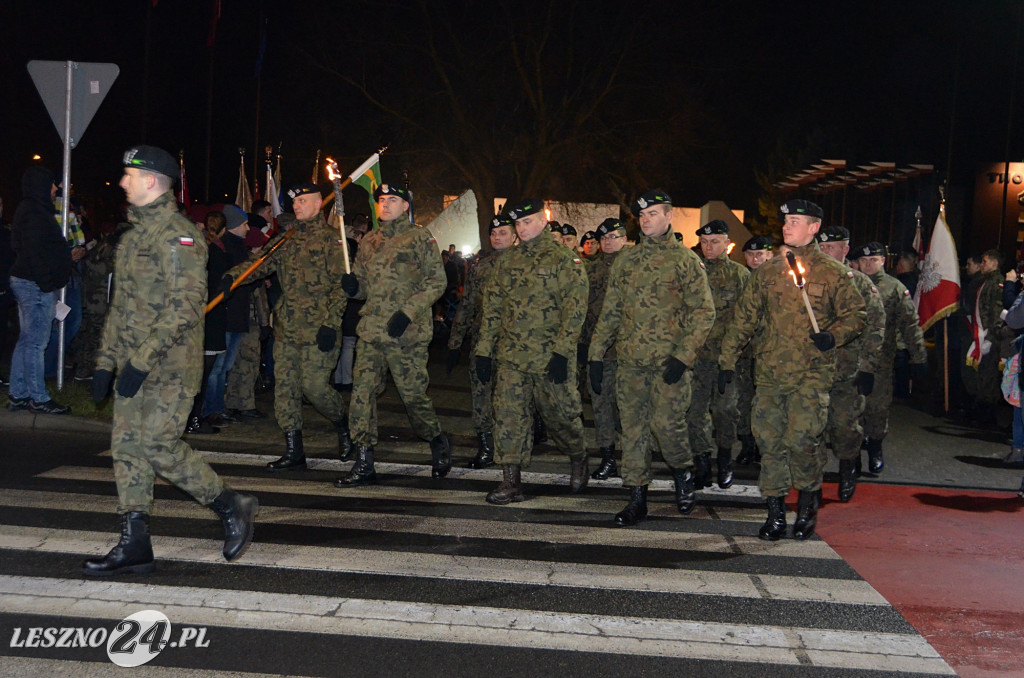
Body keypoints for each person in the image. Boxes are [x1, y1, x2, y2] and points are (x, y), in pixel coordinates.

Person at [85, 145, 257, 576]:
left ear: (151, 181)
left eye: (128, 175)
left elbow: (185, 307)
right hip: (132, 364)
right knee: (126, 449)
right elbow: (119, 306)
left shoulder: (179, 235)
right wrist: (106, 362)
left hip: (168, 366)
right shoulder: (132, 237)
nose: (122, 182)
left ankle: (230, 503)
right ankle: (135, 540)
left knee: (157, 446)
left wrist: (141, 361)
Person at [718, 199, 866, 540]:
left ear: (813, 227)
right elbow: (744, 319)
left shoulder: (833, 272)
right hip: (769, 375)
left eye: (795, 221)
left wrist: (833, 336)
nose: (787, 226)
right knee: (770, 443)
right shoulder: (768, 272)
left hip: (810, 376)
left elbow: (856, 315)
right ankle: (775, 512)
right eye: (786, 220)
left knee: (803, 440)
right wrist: (727, 360)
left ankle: (807, 503)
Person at [589, 190, 715, 526]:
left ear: (669, 217)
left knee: (667, 427)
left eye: (654, 214)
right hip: (631, 363)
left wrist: (683, 356)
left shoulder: (686, 261)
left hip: (668, 366)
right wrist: (596, 355)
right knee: (632, 431)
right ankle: (636, 497)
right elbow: (611, 311)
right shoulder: (627, 261)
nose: (647, 220)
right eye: (642, 216)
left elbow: (704, 312)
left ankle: (683, 472)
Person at [223, 183, 351, 470]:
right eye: (295, 201)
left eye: (304, 201)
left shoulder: (333, 240)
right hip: (288, 328)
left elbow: (341, 288)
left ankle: (343, 425)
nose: (297, 205)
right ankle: (294, 450)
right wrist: (232, 277)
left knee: (315, 388)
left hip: (320, 329)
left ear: (319, 204)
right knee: (286, 390)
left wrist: (331, 323)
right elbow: (260, 264)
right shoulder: (285, 239)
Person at [475, 198, 590, 503]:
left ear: (543, 220)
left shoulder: (564, 260)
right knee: (509, 418)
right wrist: (484, 350)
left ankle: (579, 456)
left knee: (562, 418)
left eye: (528, 222)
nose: (523, 229)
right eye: (518, 224)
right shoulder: (507, 261)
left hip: (549, 357)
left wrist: (563, 353)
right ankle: (511, 481)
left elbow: (575, 310)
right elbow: (493, 308)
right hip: (512, 357)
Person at [336, 183, 451, 486]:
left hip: (407, 334)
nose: (385, 205)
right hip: (372, 331)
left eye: (393, 200)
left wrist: (408, 312)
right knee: (361, 396)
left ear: (405, 206)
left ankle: (436, 438)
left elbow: (437, 282)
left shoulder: (419, 238)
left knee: (413, 397)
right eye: (381, 200)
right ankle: (364, 460)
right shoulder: (369, 241)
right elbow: (362, 284)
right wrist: (353, 287)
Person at [816, 227, 885, 502]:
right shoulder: (805, 281)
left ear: (844, 251)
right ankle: (813, 484)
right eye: (821, 247)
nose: (824, 252)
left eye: (830, 248)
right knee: (812, 429)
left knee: (845, 427)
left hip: (848, 371)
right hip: (812, 371)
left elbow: (876, 326)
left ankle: (847, 469)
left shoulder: (860, 283)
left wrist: (868, 367)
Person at [447, 214, 516, 468]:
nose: (498, 237)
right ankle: (486, 446)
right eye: (494, 233)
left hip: (514, 345)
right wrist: (455, 343)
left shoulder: (524, 266)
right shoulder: (480, 267)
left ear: (515, 235)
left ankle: (511, 451)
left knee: (511, 400)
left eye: (503, 233)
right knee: (481, 397)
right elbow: (466, 306)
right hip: (481, 344)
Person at [854, 241, 927, 473]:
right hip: (849, 360)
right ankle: (851, 456)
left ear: (883, 261)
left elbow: (910, 325)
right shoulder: (849, 283)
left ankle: (875, 447)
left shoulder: (894, 288)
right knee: (850, 411)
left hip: (881, 362)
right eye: (864, 260)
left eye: (873, 260)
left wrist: (919, 358)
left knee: (877, 409)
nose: (868, 264)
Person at [688, 219, 749, 490]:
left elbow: (747, 320)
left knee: (726, 412)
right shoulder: (693, 272)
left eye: (714, 242)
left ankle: (724, 458)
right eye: (704, 242)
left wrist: (733, 357)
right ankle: (702, 462)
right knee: (694, 413)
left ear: (726, 243)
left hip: (727, 359)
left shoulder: (739, 275)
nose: (708, 246)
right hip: (696, 358)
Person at [7, 166, 72, 414]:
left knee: (26, 341)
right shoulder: (34, 212)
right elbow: (33, 252)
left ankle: (18, 393)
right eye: (53, 184)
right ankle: (38, 397)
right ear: (41, 186)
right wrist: (47, 284)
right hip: (35, 285)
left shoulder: (32, 209)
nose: (57, 188)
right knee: (36, 343)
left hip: (31, 282)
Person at [582, 217, 629, 480]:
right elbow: (582, 310)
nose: (608, 242)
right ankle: (608, 458)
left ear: (624, 239)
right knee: (601, 406)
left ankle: (637, 456)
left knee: (630, 408)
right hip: (599, 353)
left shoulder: (635, 267)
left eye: (613, 237)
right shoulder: (591, 270)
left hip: (630, 352)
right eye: (604, 238)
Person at [735, 235, 774, 465]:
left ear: (770, 254)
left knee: (766, 403)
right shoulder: (741, 279)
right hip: (743, 352)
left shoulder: (780, 279)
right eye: (750, 254)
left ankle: (764, 447)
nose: (755, 258)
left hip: (768, 353)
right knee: (743, 401)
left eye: (760, 254)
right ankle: (747, 444)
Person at [960, 249, 1007, 428]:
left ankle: (987, 416)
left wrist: (992, 337)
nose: (983, 264)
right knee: (980, 375)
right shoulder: (985, 281)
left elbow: (997, 312)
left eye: (986, 261)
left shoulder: (997, 283)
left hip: (991, 338)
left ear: (995, 263)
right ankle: (980, 412)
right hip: (981, 335)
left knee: (988, 377)